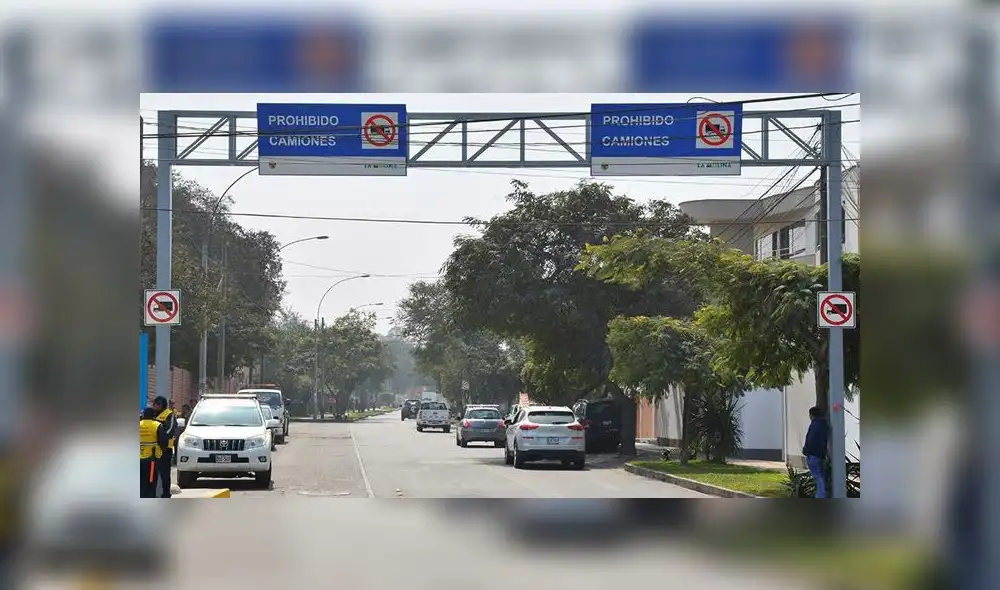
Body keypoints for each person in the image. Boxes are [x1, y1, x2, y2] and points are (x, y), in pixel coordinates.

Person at [151, 396, 178, 498]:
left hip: (165, 449)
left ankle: (166, 494)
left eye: (157, 404)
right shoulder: (152, 414)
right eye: (154, 404)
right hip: (153, 449)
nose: (155, 406)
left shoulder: (169, 414)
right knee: (152, 473)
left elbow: (170, 430)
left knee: (164, 474)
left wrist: (159, 439)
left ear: (162, 405)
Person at [140, 407, 169, 498]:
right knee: (151, 481)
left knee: (141, 482)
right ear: (154, 415)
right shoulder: (157, 425)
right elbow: (164, 442)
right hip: (152, 459)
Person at [802, 406, 830, 498]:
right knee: (820, 476)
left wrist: (806, 451)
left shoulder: (815, 425)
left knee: (818, 477)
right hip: (820, 454)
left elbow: (811, 439)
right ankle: (821, 495)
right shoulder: (824, 424)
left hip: (813, 454)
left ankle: (821, 496)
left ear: (812, 415)